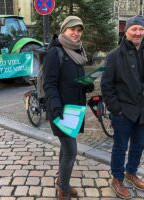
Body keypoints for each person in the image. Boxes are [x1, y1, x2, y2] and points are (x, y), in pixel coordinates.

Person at [100, 15, 144, 199]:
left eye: (141, 29)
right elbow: (106, 85)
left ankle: (131, 172)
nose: (138, 32)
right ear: (126, 31)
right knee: (120, 148)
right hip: (124, 111)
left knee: (138, 146)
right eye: (134, 29)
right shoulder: (114, 55)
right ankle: (117, 179)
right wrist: (116, 109)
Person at [43, 16, 94, 199]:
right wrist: (55, 105)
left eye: (79, 30)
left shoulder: (78, 52)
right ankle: (63, 189)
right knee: (71, 151)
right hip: (61, 110)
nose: (76, 33)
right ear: (64, 30)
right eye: (72, 29)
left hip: (74, 109)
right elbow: (49, 84)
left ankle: (61, 182)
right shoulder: (55, 53)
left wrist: (87, 85)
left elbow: (73, 80)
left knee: (66, 149)